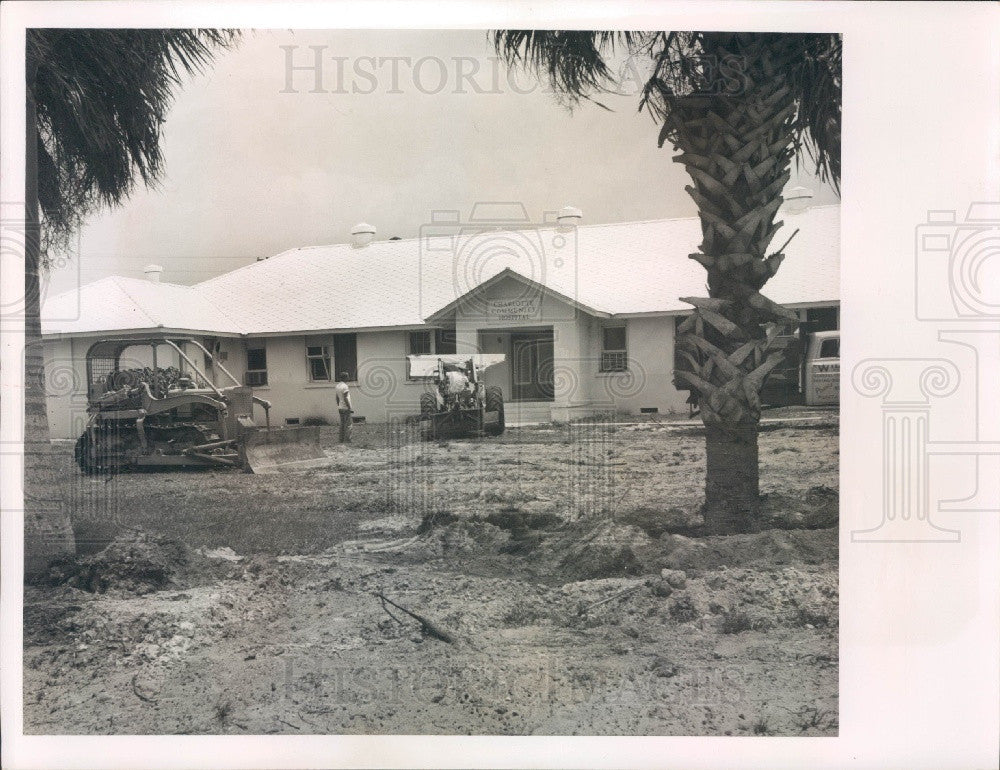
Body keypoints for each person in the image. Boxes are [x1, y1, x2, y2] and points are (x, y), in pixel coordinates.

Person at [334, 371, 353, 443]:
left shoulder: (337, 386)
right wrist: (349, 407)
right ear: (345, 377)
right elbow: (346, 398)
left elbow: (337, 397)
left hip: (340, 407)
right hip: (345, 407)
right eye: (347, 376)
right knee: (348, 424)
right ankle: (348, 439)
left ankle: (341, 439)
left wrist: (339, 405)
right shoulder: (345, 386)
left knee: (342, 424)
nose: (348, 378)